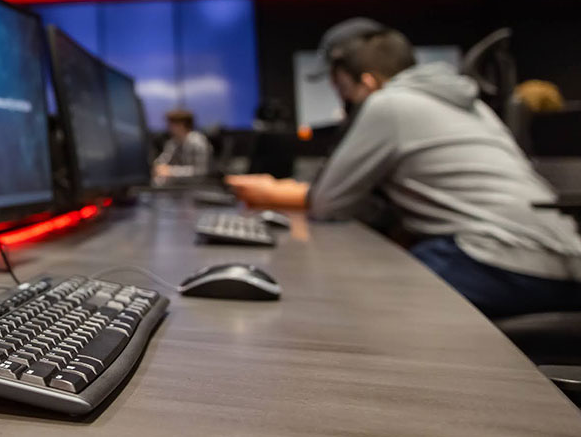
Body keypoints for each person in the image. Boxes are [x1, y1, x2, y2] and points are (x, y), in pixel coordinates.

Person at [227, 20, 581, 317]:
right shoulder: (469, 105)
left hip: (495, 258)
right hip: (564, 259)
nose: (341, 100)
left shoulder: (388, 104)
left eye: (340, 86)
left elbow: (329, 204)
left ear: (366, 81)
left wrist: (267, 192)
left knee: (346, 303)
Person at [153, 109, 213, 181]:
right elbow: (163, 160)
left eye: (171, 124)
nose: (168, 128)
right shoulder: (173, 142)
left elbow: (201, 171)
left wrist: (171, 171)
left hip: (200, 186)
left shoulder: (198, 142)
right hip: (181, 185)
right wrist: (158, 167)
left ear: (181, 125)